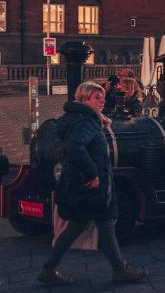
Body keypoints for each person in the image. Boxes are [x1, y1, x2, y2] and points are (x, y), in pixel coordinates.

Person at [39, 82, 148, 285]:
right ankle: (120, 270)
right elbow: (75, 146)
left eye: (102, 97)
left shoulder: (81, 118)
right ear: (84, 99)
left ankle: (50, 269)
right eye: (97, 97)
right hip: (90, 186)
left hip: (83, 185)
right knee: (102, 224)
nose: (102, 101)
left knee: (84, 226)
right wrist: (92, 174)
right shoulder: (86, 121)